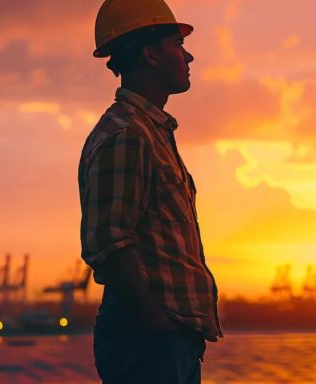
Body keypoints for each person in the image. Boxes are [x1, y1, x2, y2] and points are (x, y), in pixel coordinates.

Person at [78, 1, 221, 382]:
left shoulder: (149, 132)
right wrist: (157, 322)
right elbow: (108, 242)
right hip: (149, 343)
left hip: (165, 340)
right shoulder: (128, 135)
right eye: (178, 43)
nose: (188, 55)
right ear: (150, 54)